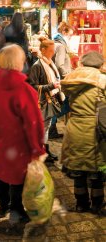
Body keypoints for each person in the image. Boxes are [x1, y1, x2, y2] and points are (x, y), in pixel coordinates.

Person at [0, 45, 47, 230]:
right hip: (20, 142)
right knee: (18, 176)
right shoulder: (24, 89)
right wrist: (37, 148)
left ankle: (3, 205)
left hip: (0, 138)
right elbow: (33, 122)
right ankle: (17, 209)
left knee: (3, 172)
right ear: (18, 62)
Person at [56, 51, 106, 213]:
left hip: (74, 127)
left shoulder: (71, 79)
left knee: (78, 171)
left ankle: (81, 204)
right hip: (95, 131)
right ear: (100, 65)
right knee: (96, 170)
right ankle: (97, 204)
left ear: (83, 63)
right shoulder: (102, 80)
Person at [28, 38, 64, 165]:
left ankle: (44, 151)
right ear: (43, 50)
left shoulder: (49, 63)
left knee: (46, 128)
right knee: (42, 129)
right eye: (51, 50)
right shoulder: (37, 66)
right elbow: (32, 86)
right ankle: (40, 153)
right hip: (43, 102)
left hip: (50, 99)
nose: (53, 52)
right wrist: (51, 86)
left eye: (53, 50)